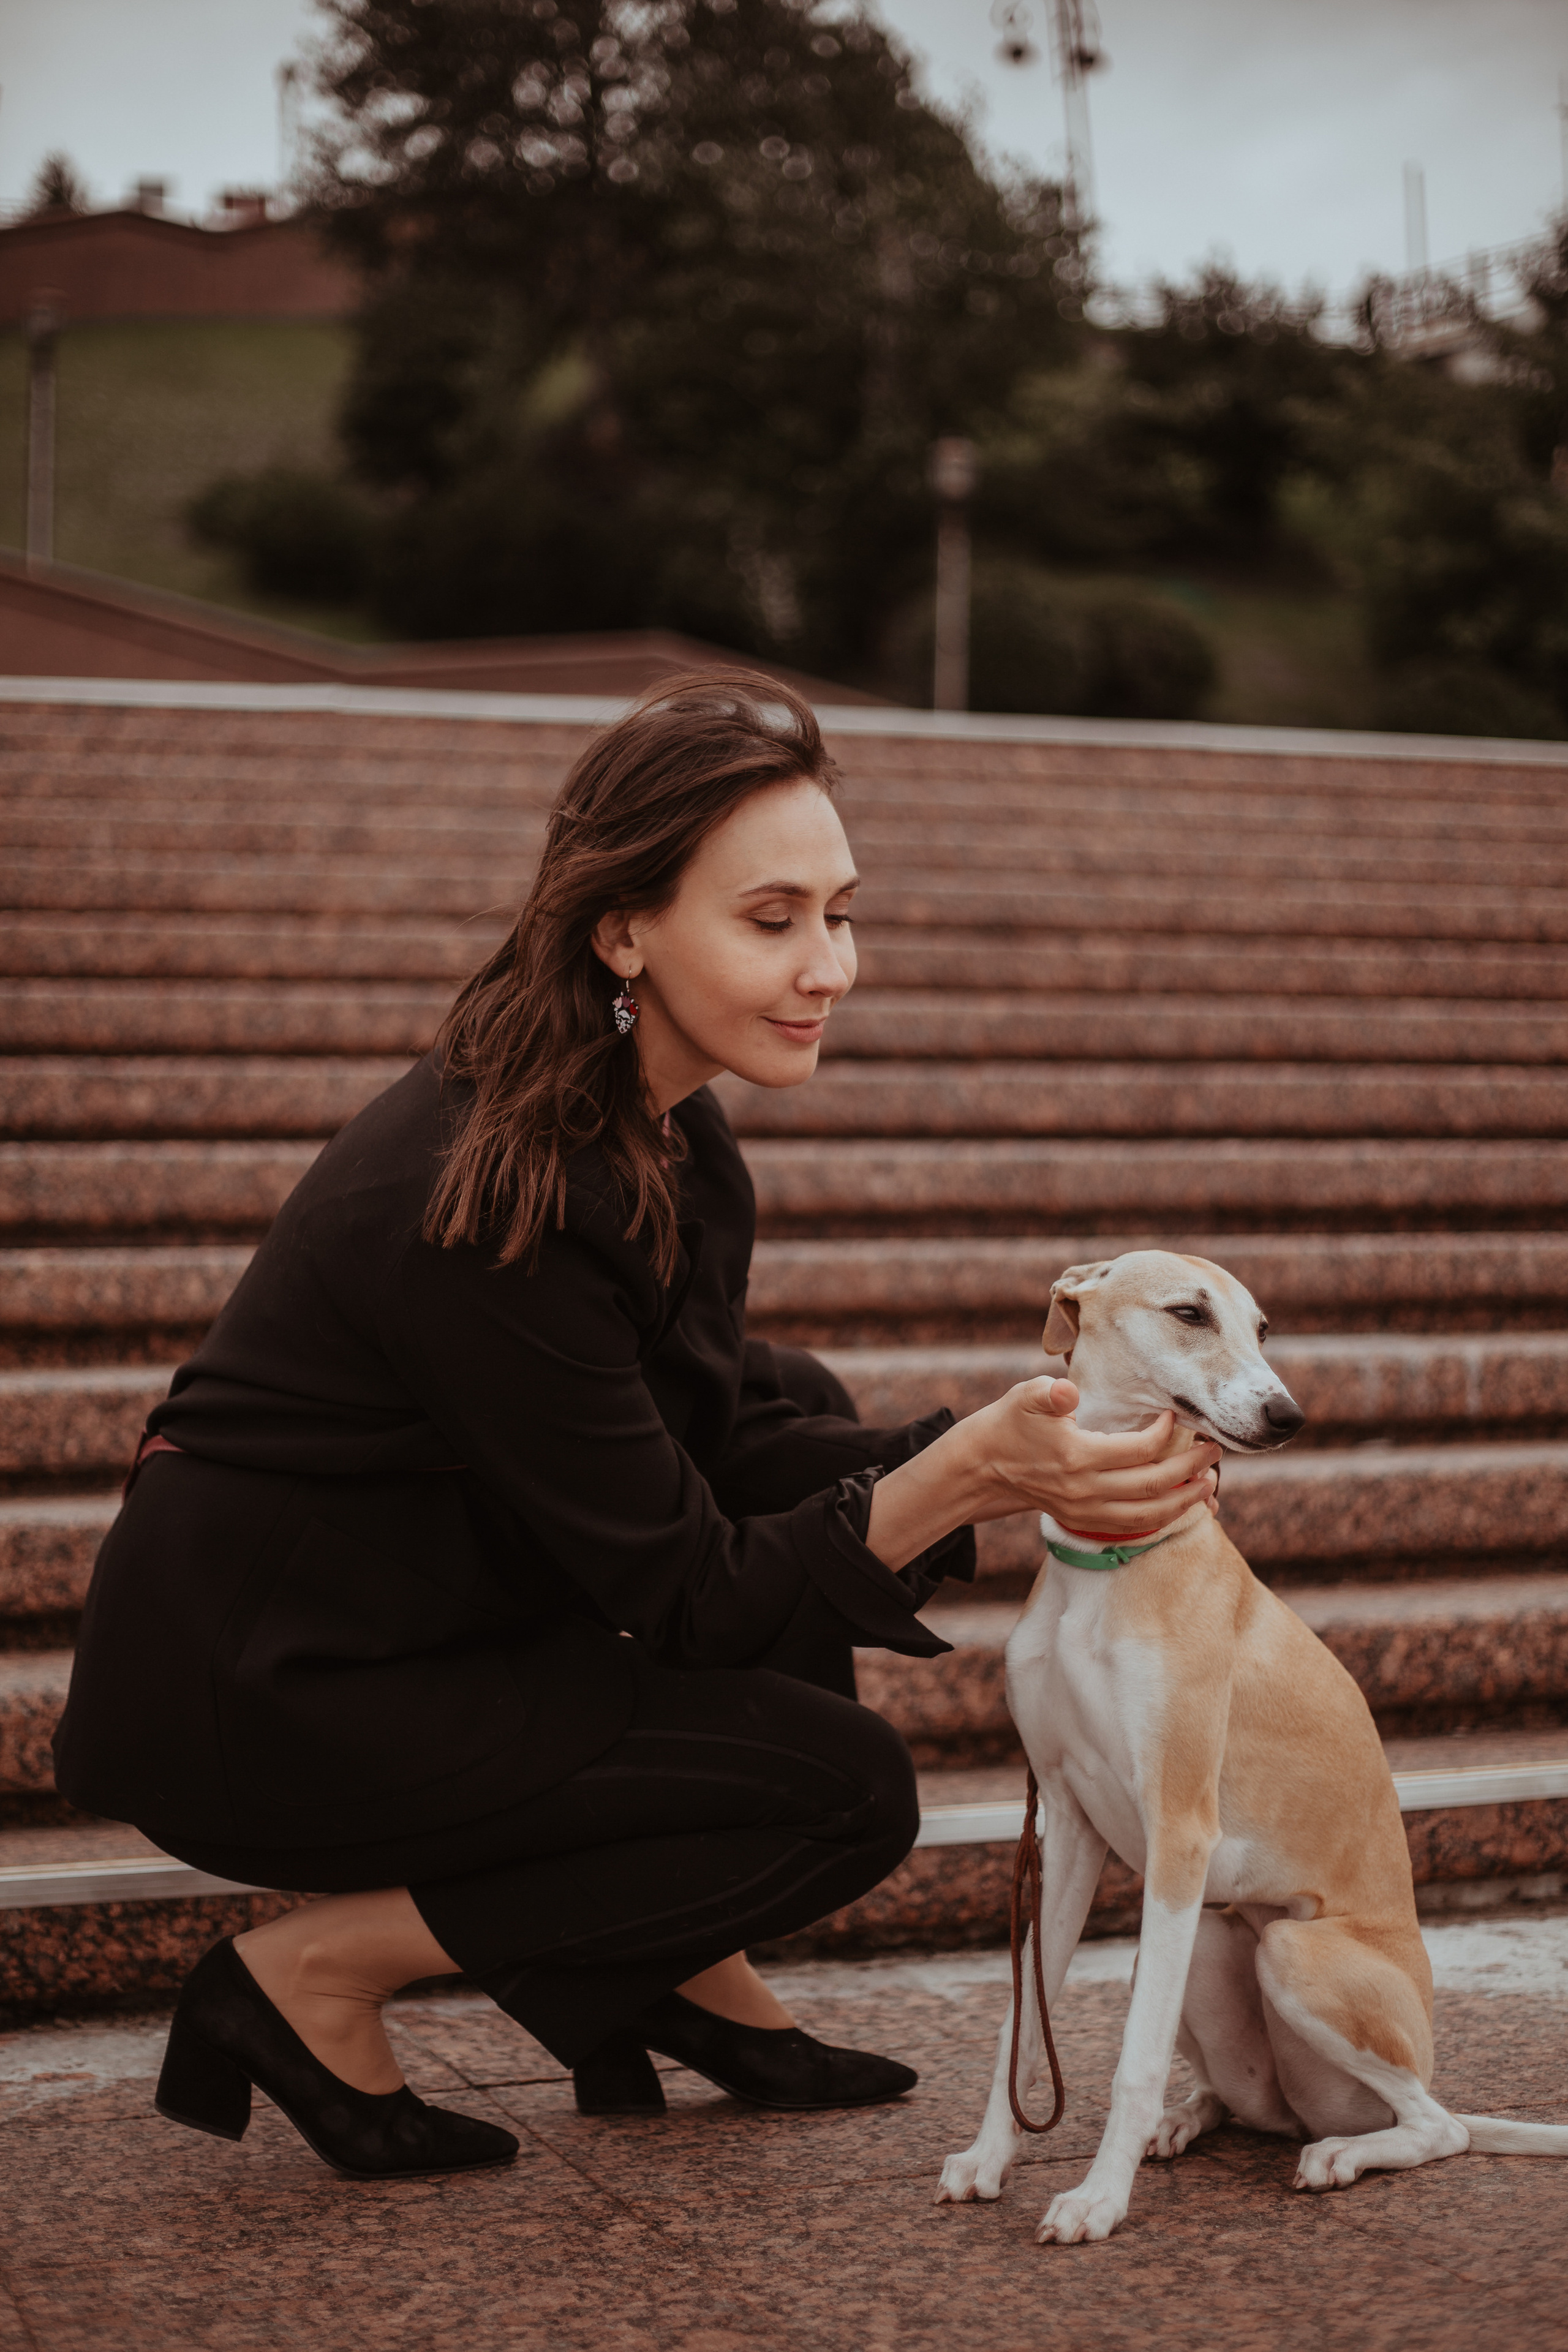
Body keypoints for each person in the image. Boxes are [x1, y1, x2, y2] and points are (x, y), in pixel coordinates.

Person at [54, 671, 1219, 2182]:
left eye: (839, 913)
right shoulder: (488, 1202)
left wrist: (1017, 1439)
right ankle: (307, 1978)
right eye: (771, 918)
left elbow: (716, 1435)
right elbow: (686, 1590)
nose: (829, 967)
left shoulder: (668, 1128)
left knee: (799, 1412)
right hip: (270, 1692)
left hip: (417, 1621)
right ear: (623, 931)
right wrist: (969, 1470)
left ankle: (669, 1970)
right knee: (837, 1795)